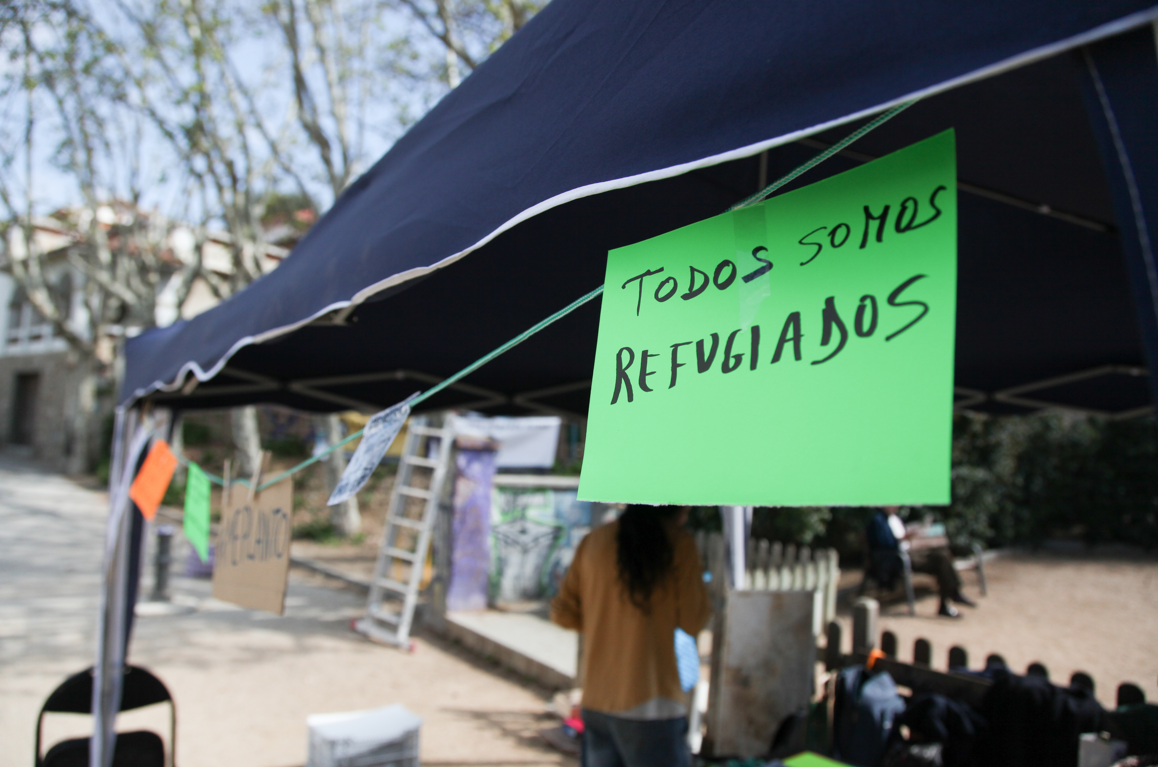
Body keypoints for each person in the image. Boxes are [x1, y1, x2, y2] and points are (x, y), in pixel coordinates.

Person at [550, 505, 711, 767]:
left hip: (597, 700)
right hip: (652, 704)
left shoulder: (594, 542)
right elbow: (693, 620)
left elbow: (562, 613)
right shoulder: (680, 545)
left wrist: (605, 623)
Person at [866, 506, 975, 618]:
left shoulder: (893, 518)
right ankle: (952, 596)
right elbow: (885, 544)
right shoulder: (878, 520)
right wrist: (903, 538)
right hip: (898, 558)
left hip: (909, 553)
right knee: (942, 560)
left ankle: (951, 596)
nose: (896, 505)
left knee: (943, 556)